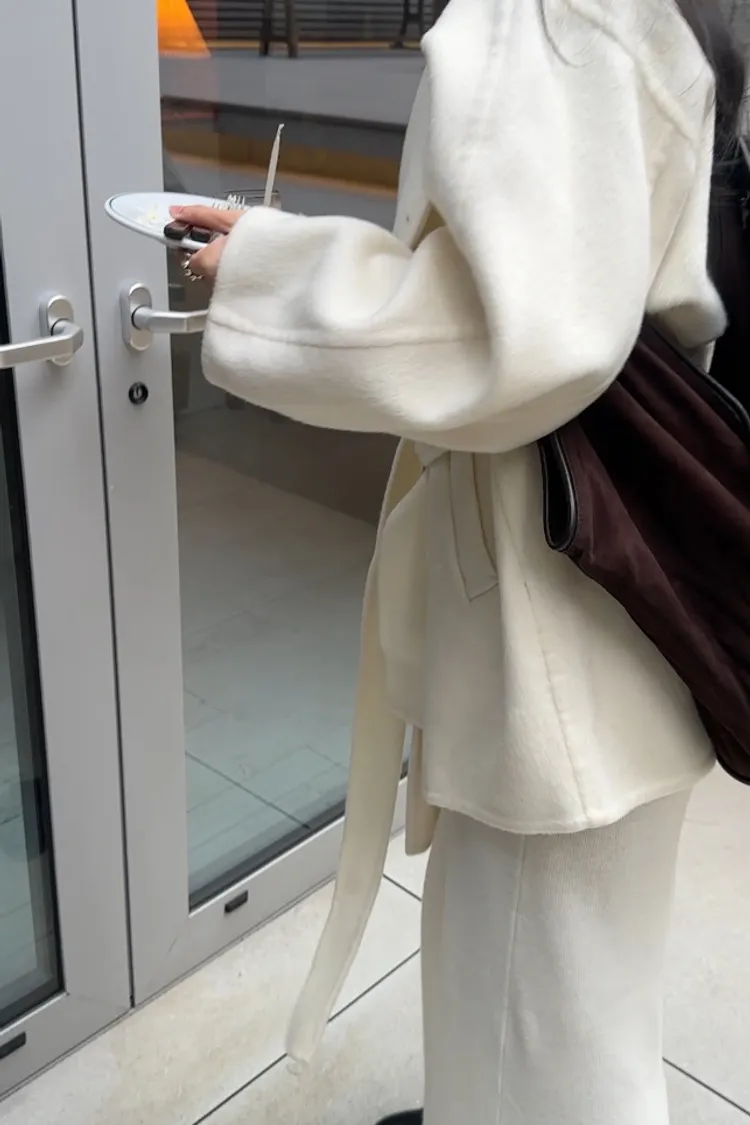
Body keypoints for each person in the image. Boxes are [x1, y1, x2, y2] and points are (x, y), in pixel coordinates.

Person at [173, 0, 746, 1120]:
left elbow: (505, 334)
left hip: (558, 591)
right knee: (580, 990)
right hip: (624, 570)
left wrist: (267, 270)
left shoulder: (555, 14)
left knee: (536, 993)